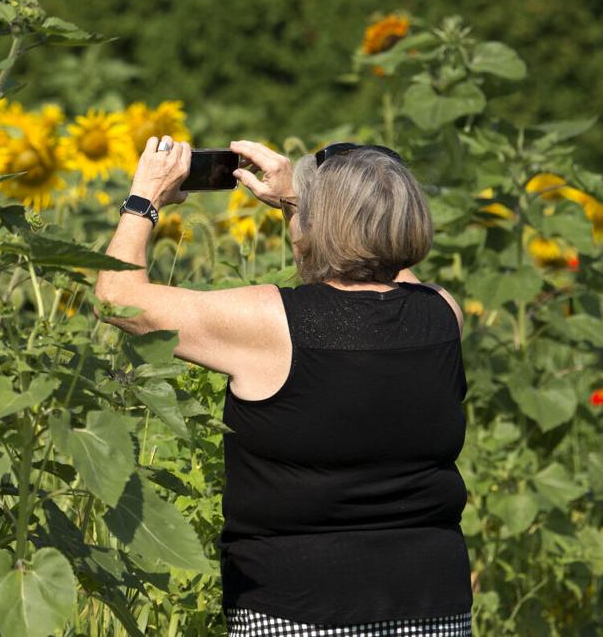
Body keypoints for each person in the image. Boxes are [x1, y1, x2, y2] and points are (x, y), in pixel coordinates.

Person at [94, 135, 473, 636]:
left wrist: (146, 196)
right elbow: (381, 268)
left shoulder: (272, 323)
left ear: (319, 224)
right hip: (434, 607)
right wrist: (304, 201)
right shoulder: (442, 313)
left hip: (297, 608)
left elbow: (117, 297)